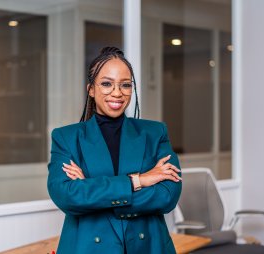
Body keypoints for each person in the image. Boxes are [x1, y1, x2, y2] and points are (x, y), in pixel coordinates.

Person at [47, 46, 182, 254]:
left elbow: (167, 196)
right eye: (107, 84)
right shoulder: (66, 137)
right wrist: (139, 181)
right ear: (91, 89)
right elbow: (67, 197)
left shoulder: (155, 133)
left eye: (125, 85)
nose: (117, 93)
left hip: (148, 247)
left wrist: (90, 189)